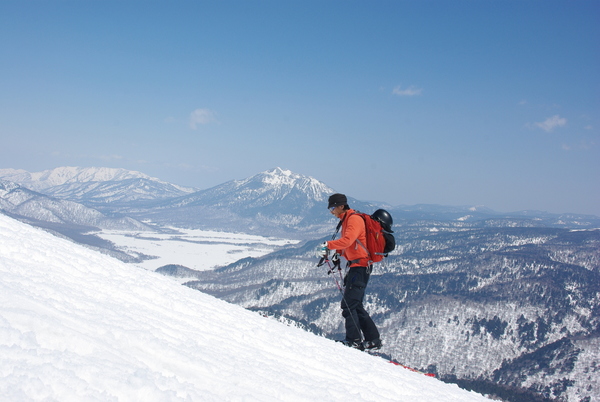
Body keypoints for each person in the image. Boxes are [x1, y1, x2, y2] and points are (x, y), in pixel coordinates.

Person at [317, 193, 382, 350]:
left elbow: (348, 240)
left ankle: (354, 340)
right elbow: (352, 245)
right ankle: (373, 340)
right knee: (355, 305)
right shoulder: (346, 220)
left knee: (349, 305)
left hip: (360, 268)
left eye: (332, 208)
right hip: (357, 266)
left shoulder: (353, 219)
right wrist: (339, 254)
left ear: (341, 206)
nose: (331, 211)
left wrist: (327, 245)